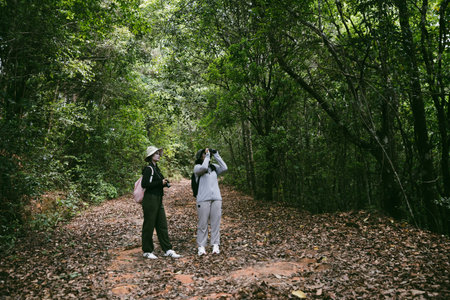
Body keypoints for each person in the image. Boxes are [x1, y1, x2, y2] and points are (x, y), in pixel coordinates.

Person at [141, 146, 181, 259]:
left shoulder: (156, 168)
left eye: (158, 153)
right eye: (156, 154)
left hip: (158, 199)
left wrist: (163, 182)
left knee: (162, 224)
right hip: (150, 199)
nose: (158, 155)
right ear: (150, 156)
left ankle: (167, 249)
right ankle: (147, 250)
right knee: (149, 224)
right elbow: (145, 185)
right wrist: (160, 182)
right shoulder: (149, 169)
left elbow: (156, 182)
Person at [194, 148, 228, 256]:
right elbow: (204, 167)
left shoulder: (213, 168)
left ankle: (215, 245)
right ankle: (201, 246)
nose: (206, 155)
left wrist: (216, 154)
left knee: (215, 223)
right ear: (200, 156)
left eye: (207, 153)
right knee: (203, 224)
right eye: (204, 154)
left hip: (216, 198)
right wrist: (208, 156)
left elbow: (224, 167)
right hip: (203, 199)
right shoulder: (197, 168)